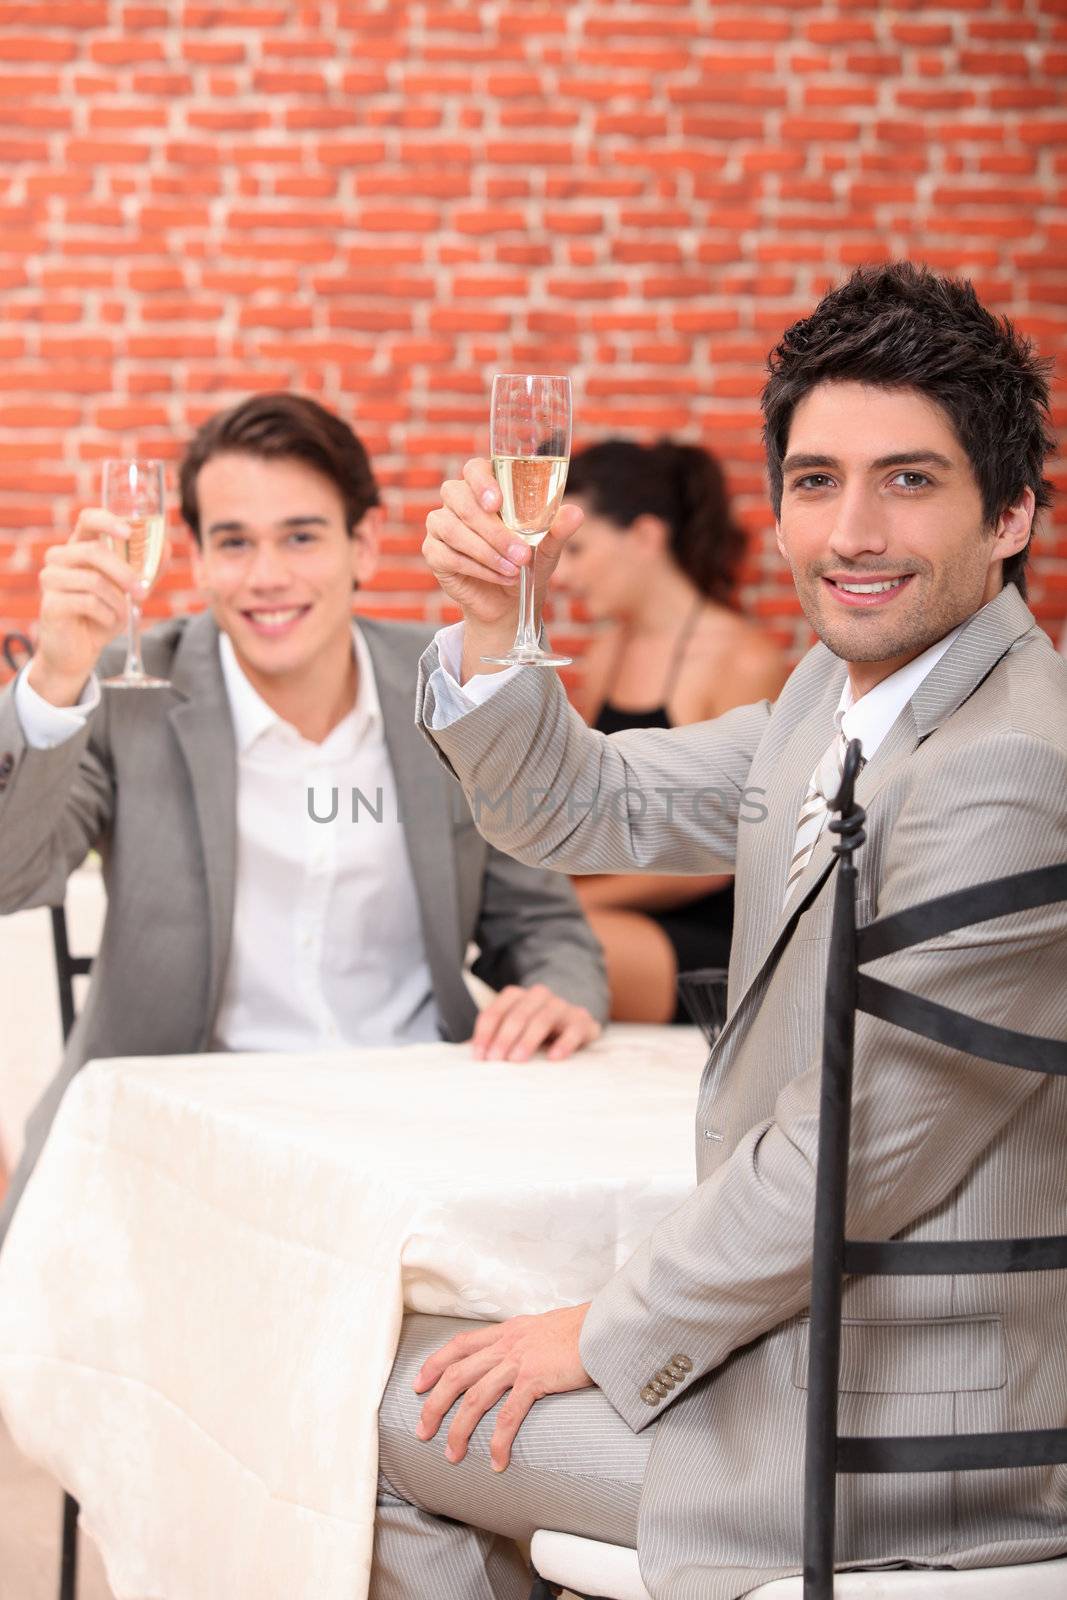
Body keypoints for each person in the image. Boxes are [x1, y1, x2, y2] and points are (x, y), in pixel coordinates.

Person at [370, 263, 1067, 1600]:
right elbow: (575, 807)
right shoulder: (834, 699)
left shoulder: (1008, 765)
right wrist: (487, 622)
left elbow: (853, 1149)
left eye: (907, 480)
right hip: (801, 1352)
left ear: (1010, 515)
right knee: (423, 1354)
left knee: (388, 1412)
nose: (850, 531)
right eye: (814, 482)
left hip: (899, 1428)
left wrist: (603, 1329)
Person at [0, 394, 608, 1246]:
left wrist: (556, 992)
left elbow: (541, 920)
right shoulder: (128, 691)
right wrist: (51, 682)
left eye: (300, 536)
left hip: (411, 1134)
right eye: (234, 541)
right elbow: (12, 875)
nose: (266, 577)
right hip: (192, 1145)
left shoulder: (449, 685)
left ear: (361, 544)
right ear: (199, 559)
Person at [558, 438, 786, 1021]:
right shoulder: (607, 653)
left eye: (578, 549)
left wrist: (572, 902)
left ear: (645, 536)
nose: (563, 575)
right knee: (521, 934)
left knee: (565, 942)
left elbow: (733, 853)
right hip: (616, 912)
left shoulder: (740, 658)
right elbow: (594, 806)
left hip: (716, 932)